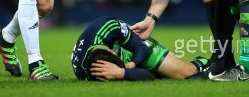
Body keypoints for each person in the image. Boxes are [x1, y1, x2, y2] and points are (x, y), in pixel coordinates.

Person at [72, 15, 211, 81]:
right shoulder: (83, 71)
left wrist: (129, 66)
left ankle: (201, 63)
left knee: (186, 74)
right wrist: (122, 73)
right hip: (119, 64)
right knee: (160, 75)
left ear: (111, 50)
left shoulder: (108, 27)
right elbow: (149, 76)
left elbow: (142, 48)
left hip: (133, 46)